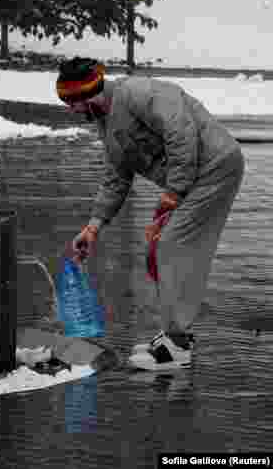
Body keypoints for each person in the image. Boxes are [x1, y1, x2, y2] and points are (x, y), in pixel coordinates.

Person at [57, 57, 244, 371]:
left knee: (174, 245)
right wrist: (93, 227)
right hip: (190, 181)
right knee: (159, 248)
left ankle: (179, 345)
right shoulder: (106, 123)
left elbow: (181, 134)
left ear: (89, 93)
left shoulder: (139, 94)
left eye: (72, 102)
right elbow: (116, 177)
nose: (71, 110)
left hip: (215, 169)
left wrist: (173, 192)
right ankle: (174, 333)